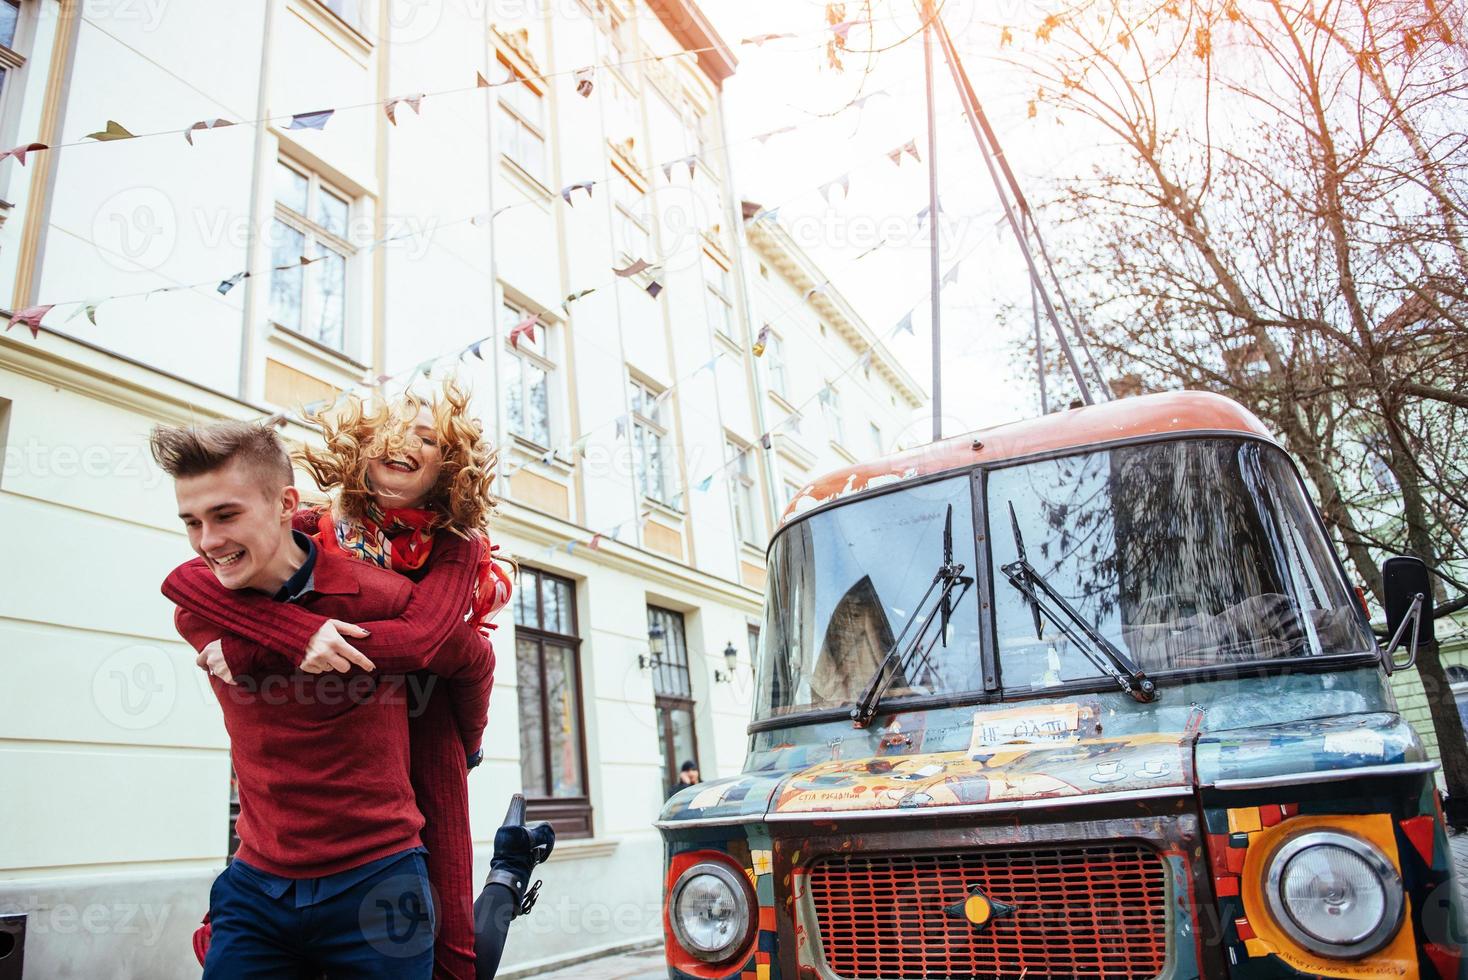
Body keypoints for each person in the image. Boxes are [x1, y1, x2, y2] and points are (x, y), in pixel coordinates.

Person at [163, 382, 509, 979]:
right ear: (358, 449)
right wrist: (292, 635)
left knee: (452, 926)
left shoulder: (455, 545)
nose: (403, 445)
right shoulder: (312, 523)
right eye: (389, 434)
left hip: (430, 715)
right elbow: (182, 581)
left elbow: (436, 642)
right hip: (266, 871)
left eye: (426, 439)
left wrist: (469, 741)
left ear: (449, 465)